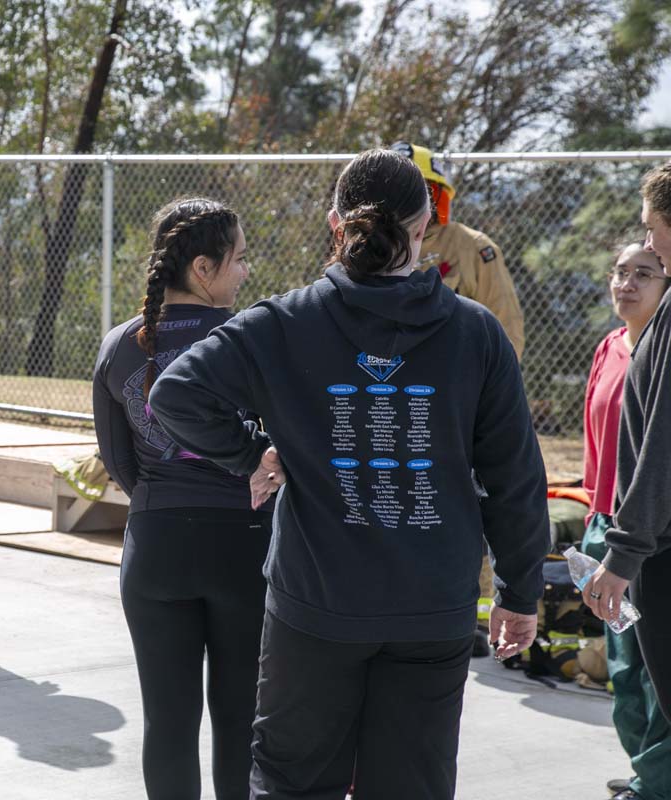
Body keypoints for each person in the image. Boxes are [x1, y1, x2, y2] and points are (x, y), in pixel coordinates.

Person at [149, 149, 550, 799]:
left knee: (291, 784)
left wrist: (251, 454)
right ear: (425, 230)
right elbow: (516, 480)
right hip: (433, 609)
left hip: (316, 609)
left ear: (336, 225)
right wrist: (519, 591)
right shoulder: (475, 334)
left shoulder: (282, 324)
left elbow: (175, 396)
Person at [92, 198, 271, 800]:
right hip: (244, 548)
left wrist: (164, 498)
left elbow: (118, 461)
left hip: (155, 548)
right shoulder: (253, 338)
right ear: (202, 267)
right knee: (241, 719)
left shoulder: (120, 344)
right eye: (239, 259)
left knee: (166, 723)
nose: (245, 271)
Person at [392, 139, 527, 657]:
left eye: (428, 192)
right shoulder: (370, 247)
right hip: (392, 403)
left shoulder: (473, 247)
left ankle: (468, 612)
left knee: (465, 505)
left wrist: (491, 402)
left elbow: (505, 325)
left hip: (457, 408)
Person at [581, 242, 671, 800]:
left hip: (644, 532)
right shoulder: (611, 347)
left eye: (644, 273)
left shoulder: (661, 349)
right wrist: (595, 512)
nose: (627, 283)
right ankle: (644, 769)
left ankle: (658, 783)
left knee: (655, 668)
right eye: (620, 271)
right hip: (604, 520)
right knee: (622, 668)